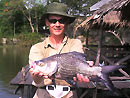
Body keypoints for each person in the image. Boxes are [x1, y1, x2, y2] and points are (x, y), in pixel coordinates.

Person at [29, 2, 94, 98]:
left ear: (67, 22)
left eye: (62, 20)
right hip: (43, 94)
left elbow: (78, 65)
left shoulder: (75, 43)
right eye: (53, 20)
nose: (57, 24)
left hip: (69, 94)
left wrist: (88, 70)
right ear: (47, 22)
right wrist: (36, 75)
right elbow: (37, 80)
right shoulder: (36, 48)